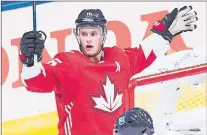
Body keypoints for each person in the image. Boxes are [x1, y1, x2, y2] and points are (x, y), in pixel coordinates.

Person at [19, 5, 198, 135]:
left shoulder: (118, 58)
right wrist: (29, 61)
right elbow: (37, 82)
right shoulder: (68, 64)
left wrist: (164, 34)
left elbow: (142, 54)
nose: (88, 39)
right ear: (77, 35)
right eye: (84, 33)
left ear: (103, 34)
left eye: (93, 33)